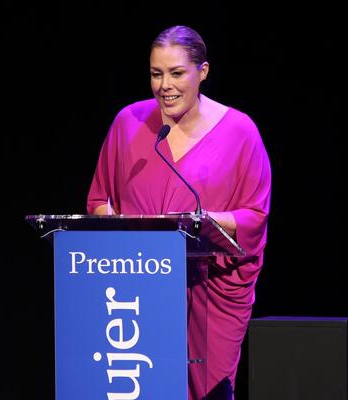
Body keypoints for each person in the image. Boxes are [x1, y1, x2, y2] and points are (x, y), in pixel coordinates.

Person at [86, 25, 271, 400]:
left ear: (203, 72)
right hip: (138, 289)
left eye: (176, 73)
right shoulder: (128, 123)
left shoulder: (240, 132)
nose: (164, 86)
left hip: (209, 291)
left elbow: (255, 215)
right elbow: (99, 201)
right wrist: (123, 229)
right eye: (156, 74)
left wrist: (203, 223)